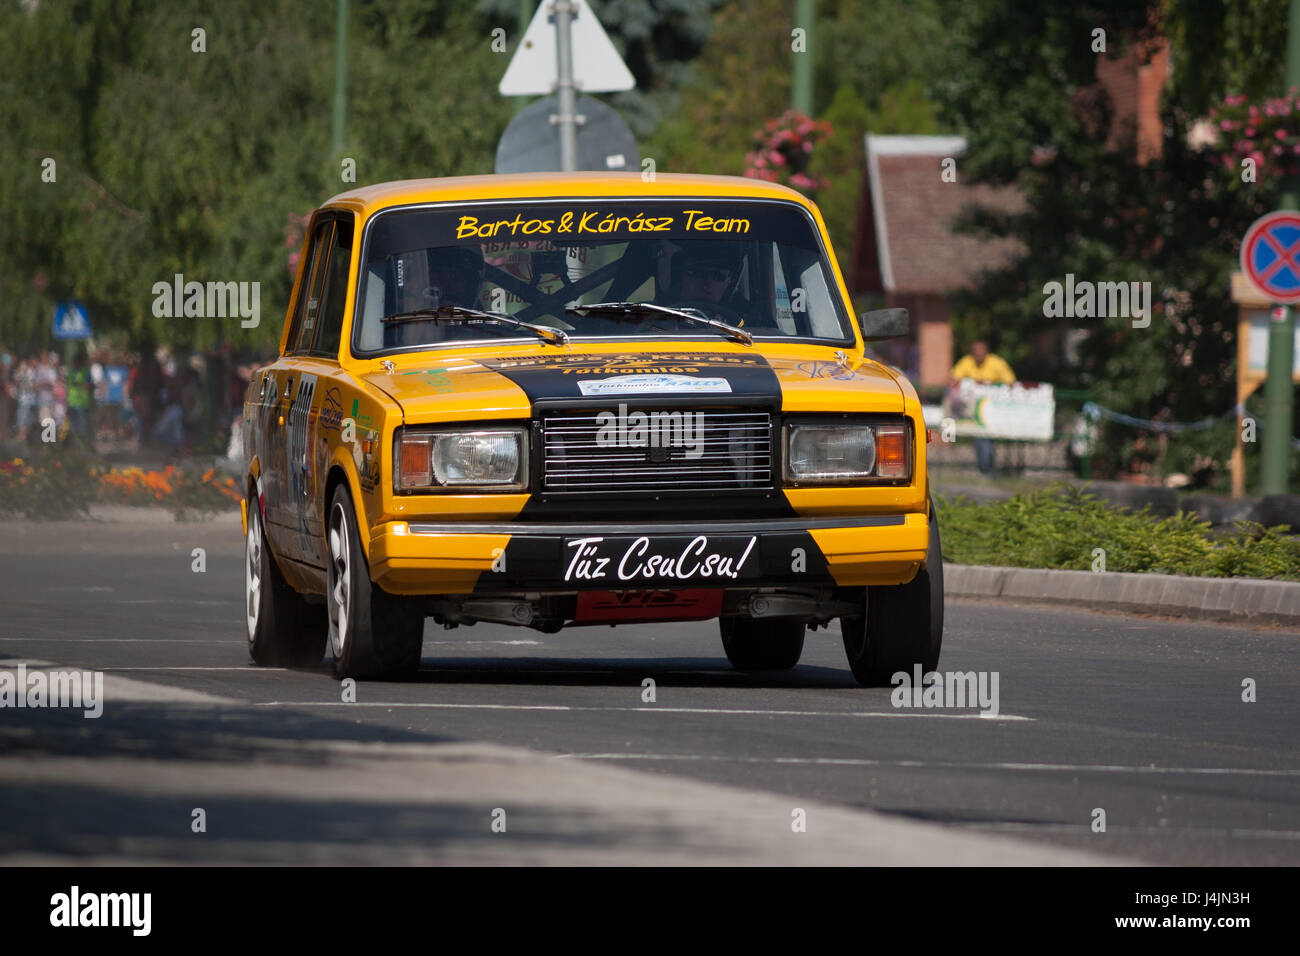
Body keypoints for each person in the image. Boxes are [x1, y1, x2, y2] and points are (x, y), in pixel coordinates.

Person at [950, 340, 1016, 477]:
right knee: (981, 438)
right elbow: (953, 379)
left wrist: (989, 384)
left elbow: (1010, 382)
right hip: (975, 412)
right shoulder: (966, 362)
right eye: (975, 351)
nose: (978, 354)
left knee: (985, 438)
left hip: (995, 411)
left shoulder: (997, 363)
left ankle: (986, 469)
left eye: (981, 351)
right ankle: (986, 470)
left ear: (987, 351)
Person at [66, 353, 93, 448]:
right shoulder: (70, 373)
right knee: (73, 428)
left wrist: (80, 384)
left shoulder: (86, 373)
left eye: (77, 362)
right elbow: (68, 388)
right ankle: (75, 448)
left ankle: (84, 447)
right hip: (72, 404)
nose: (75, 364)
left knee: (83, 428)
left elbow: (89, 386)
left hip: (82, 404)